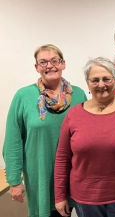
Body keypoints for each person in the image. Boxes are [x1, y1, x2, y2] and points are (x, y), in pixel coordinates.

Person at [2, 44, 87, 217]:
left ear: (63, 64)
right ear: (36, 67)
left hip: (74, 175)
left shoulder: (79, 94)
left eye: (54, 60)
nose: (49, 65)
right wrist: (14, 181)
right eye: (43, 62)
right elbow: (13, 141)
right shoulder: (23, 96)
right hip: (39, 175)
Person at [54, 57, 115, 217]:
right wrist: (60, 196)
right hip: (85, 198)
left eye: (106, 79)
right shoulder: (74, 114)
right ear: (88, 82)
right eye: (95, 80)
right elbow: (62, 158)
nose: (101, 84)